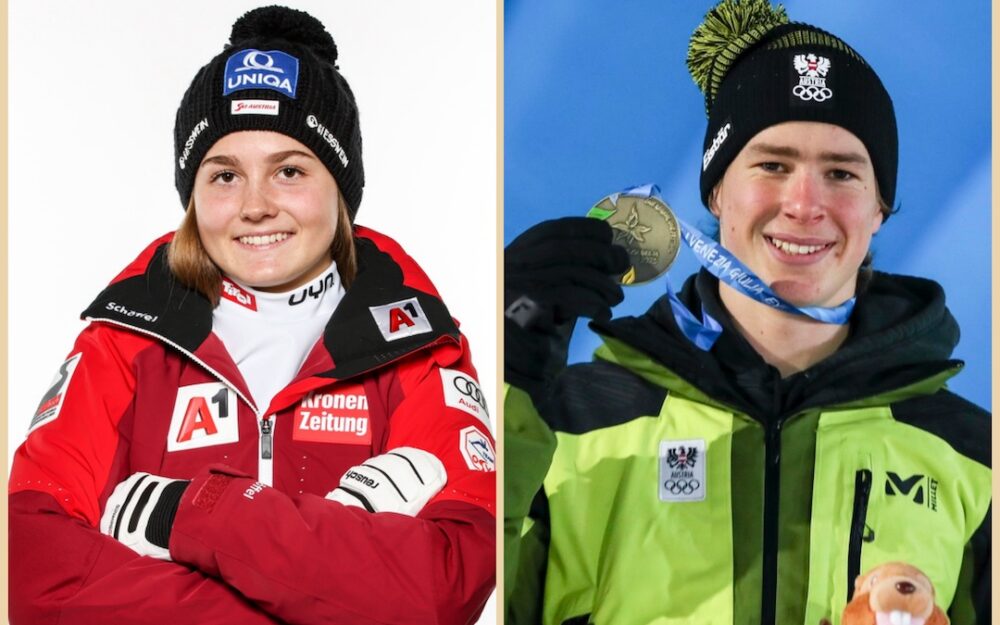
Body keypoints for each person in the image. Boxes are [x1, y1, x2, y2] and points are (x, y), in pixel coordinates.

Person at [503, 2, 990, 624]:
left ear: (879, 210)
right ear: (716, 191)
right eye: (773, 165)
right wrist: (506, 385)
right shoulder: (571, 422)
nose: (804, 203)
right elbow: (468, 596)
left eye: (841, 172)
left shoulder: (973, 456)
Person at [9, 6, 495, 624]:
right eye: (224, 175)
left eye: (289, 171)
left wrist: (197, 513)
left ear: (339, 189)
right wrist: (324, 585)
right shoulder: (122, 340)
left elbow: (445, 586)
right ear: (193, 195)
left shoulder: (419, 347)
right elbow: (30, 568)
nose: (255, 206)